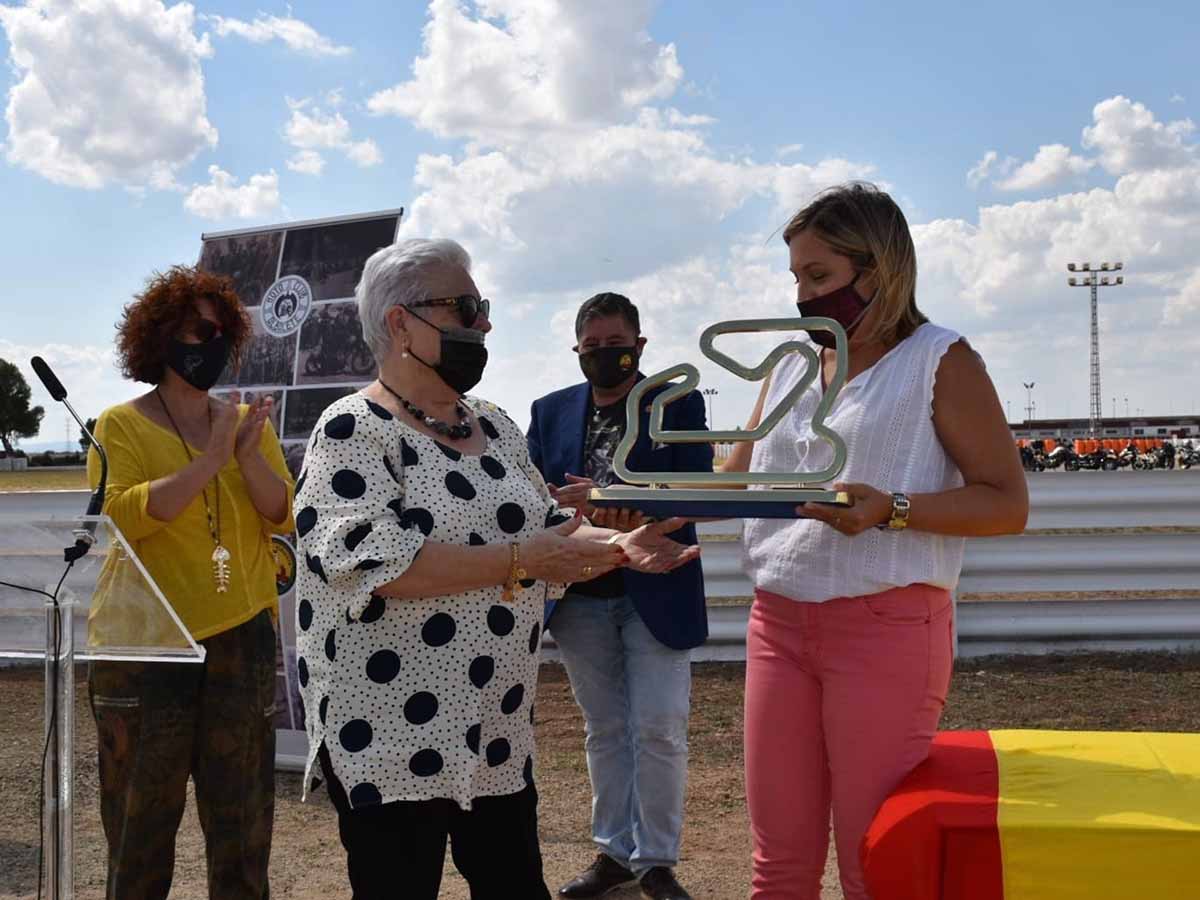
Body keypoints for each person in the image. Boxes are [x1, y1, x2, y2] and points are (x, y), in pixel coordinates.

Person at [292, 239, 701, 900]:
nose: (484, 323)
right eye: (466, 306)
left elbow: (547, 530)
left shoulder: (495, 426)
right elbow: (371, 561)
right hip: (390, 733)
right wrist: (519, 561)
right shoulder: (352, 430)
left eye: (483, 306)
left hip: (494, 729)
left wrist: (619, 546)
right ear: (401, 323)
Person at [724, 183, 1029, 900]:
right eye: (796, 276)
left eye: (819, 276)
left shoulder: (941, 361)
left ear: (879, 270)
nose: (802, 295)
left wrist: (892, 509)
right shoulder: (792, 367)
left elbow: (1005, 504)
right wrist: (638, 508)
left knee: (876, 860)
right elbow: (735, 480)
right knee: (780, 863)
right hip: (778, 622)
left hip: (887, 626)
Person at [86, 265, 295, 899]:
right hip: (147, 648)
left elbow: (281, 511)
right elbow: (126, 513)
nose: (210, 342)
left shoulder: (241, 423)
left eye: (219, 331)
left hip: (242, 641)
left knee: (242, 824)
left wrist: (248, 455)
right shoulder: (119, 424)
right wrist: (210, 460)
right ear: (160, 338)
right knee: (140, 824)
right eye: (196, 329)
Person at [527, 293, 711, 900]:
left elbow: (699, 486)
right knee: (605, 728)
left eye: (617, 345)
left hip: (657, 585)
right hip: (581, 592)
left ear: (641, 344)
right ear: (577, 351)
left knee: (658, 726)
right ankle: (613, 853)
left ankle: (656, 861)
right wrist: (572, 509)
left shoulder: (676, 403)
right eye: (594, 347)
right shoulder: (549, 411)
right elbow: (531, 499)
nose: (607, 355)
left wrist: (617, 497)